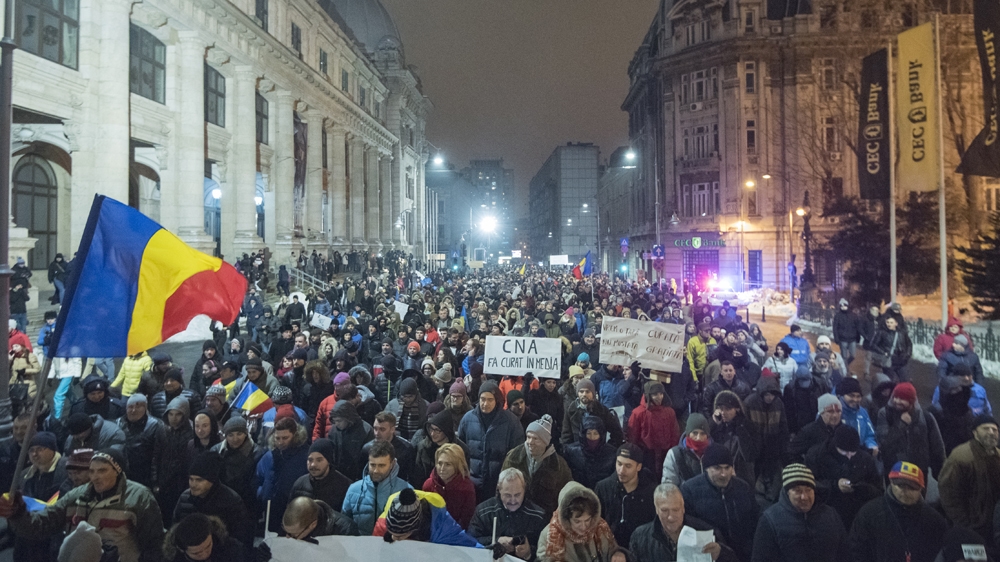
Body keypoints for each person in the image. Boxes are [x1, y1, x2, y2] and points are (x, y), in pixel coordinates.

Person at [0, 448, 164, 562]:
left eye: (102, 470)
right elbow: (40, 526)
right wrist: (18, 513)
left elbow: (154, 545)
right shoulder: (75, 496)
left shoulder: (139, 498)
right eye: (92, 471)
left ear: (117, 471)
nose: (95, 477)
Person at [848, 462, 948, 562]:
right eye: (900, 485)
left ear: (921, 489)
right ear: (891, 482)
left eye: (911, 487)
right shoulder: (869, 513)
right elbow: (856, 550)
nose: (905, 491)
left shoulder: (934, 520)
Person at [751, 464, 849, 562]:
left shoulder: (830, 515)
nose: (804, 497)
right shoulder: (770, 520)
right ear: (787, 492)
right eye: (797, 491)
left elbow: (844, 554)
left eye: (808, 490)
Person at [680, 444, 759, 562]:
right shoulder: (690, 491)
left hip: (743, 556)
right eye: (717, 468)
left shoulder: (743, 488)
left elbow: (755, 520)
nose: (724, 474)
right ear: (706, 468)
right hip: (711, 555)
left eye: (727, 468)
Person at [628, 482, 734, 562]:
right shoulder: (640, 537)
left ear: (683, 508)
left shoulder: (704, 531)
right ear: (656, 509)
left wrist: (720, 553)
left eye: (675, 510)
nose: (670, 517)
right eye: (665, 510)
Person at [172, 451, 253, 554]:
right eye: (191, 479)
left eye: (199, 480)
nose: (193, 484)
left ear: (212, 480)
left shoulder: (231, 501)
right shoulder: (184, 497)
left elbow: (243, 538)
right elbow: (175, 529)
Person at [458, 381, 525, 502]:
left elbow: (517, 454)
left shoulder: (511, 422)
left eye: (490, 400)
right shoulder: (467, 419)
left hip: (499, 485)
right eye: (482, 399)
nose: (485, 403)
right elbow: (459, 449)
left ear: (497, 401)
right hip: (473, 483)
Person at [804, 424, 881, 528]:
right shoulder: (816, 456)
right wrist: (835, 485)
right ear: (836, 446)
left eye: (853, 452)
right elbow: (810, 485)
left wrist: (863, 488)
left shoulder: (865, 459)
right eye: (845, 452)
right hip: (827, 515)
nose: (849, 456)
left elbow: (878, 489)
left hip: (858, 514)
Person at [938, 414, 1000, 542]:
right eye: (985, 428)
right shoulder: (960, 457)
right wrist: (964, 524)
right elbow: (948, 493)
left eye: (995, 430)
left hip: (994, 525)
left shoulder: (998, 456)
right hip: (973, 526)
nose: (991, 432)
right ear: (975, 432)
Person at [469, 467, 548, 559]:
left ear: (524, 490)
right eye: (507, 495)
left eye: (517, 495)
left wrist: (529, 552)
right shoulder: (483, 511)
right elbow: (471, 541)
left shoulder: (538, 516)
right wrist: (495, 541)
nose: (513, 500)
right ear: (499, 490)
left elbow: (547, 551)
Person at [502, 414, 572, 517]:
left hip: (544, 519)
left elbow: (566, 496)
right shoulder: (513, 458)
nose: (530, 442)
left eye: (536, 439)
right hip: (515, 516)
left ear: (545, 442)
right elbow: (500, 488)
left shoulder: (558, 465)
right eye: (528, 437)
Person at [876, 382, 945, 485]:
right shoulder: (885, 413)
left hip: (918, 470)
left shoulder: (926, 417)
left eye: (902, 399)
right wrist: (901, 425)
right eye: (895, 397)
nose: (897, 401)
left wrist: (941, 470)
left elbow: (937, 446)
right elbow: (884, 443)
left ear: (911, 401)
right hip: (894, 468)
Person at [342, 440, 412, 535]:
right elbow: (345, 524)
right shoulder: (354, 489)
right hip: (360, 547)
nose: (375, 470)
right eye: (372, 465)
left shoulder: (406, 491)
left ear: (392, 464)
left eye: (381, 465)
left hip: (392, 547)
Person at [17, 432, 68, 562]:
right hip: (31, 531)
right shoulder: (25, 475)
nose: (34, 454)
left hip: (54, 532)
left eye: (40, 449)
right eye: (31, 450)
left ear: (52, 449)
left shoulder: (66, 470)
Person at [594, 443, 657, 549]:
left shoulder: (651, 492)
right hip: (610, 549)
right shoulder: (603, 488)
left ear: (639, 467)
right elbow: (596, 523)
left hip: (641, 549)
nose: (621, 470)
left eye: (628, 466)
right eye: (619, 463)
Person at [537, 481, 618, 562]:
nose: (583, 527)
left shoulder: (601, 527)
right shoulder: (549, 537)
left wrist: (618, 553)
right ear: (566, 518)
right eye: (577, 521)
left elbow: (613, 549)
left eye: (587, 520)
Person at [256, 416, 310, 533]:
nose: (280, 442)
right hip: (271, 512)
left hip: (295, 512)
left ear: (295, 436)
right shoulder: (269, 456)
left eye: (285, 438)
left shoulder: (305, 457)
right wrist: (262, 494)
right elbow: (258, 478)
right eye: (277, 438)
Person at [211, 416, 262, 516]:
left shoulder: (257, 453)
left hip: (247, 505)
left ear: (246, 433)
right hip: (221, 502)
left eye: (239, 434)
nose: (235, 439)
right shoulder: (216, 451)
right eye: (230, 435)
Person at [627, 381, 679, 477]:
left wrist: (672, 452)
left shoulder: (669, 412)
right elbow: (633, 437)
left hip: (665, 454)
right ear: (648, 395)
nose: (659, 397)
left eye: (661, 393)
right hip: (646, 455)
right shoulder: (638, 413)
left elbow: (674, 434)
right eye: (655, 394)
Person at [422, 443, 477, 529]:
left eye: (448, 464)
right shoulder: (428, 485)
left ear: (457, 466)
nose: (442, 468)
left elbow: (466, 521)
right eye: (440, 463)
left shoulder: (467, 488)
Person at [290, 438, 352, 512]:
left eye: (319, 460)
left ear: (329, 461)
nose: (313, 464)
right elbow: (291, 514)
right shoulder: (299, 484)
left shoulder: (345, 486)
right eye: (310, 460)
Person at [117, 394, 164, 490]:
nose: (133, 410)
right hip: (123, 475)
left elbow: (158, 455)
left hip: (145, 477)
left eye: (138, 407)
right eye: (130, 407)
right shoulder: (118, 423)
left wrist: (155, 481)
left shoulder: (155, 425)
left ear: (145, 408)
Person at [561, 379, 624, 449]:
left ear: (593, 393)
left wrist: (609, 448)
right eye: (581, 391)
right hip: (577, 453)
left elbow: (617, 432)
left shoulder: (602, 410)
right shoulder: (571, 410)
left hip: (598, 452)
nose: (584, 394)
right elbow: (566, 435)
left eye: (587, 391)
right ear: (577, 393)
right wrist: (570, 450)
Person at [564, 414, 618, 490]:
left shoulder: (611, 454)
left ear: (601, 435)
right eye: (589, 433)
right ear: (583, 434)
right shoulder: (571, 451)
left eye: (596, 433)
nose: (592, 438)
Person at [163, 513, 245, 562]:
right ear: (182, 550)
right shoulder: (174, 559)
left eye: (208, 546)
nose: (204, 554)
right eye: (196, 553)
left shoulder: (232, 549)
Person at [326, 399, 375, 481]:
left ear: (348, 418)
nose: (336, 424)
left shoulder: (366, 430)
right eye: (334, 421)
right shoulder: (334, 431)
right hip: (338, 476)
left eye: (339, 421)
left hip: (359, 476)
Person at [788, 394, 843, 463]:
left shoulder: (844, 431)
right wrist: (805, 468)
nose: (835, 415)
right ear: (821, 413)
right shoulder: (809, 431)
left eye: (838, 411)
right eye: (830, 411)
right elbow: (791, 453)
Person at [662, 413, 711, 486]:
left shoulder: (715, 452)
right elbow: (668, 486)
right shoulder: (675, 454)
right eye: (695, 433)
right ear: (688, 433)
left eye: (703, 433)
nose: (698, 438)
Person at [282, 496, 359, 540]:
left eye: (294, 536)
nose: (289, 538)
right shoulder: (294, 527)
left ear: (313, 524)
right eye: (287, 533)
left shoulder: (347, 530)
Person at [836, 377, 878, 454]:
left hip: (860, 454)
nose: (855, 399)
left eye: (858, 396)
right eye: (851, 395)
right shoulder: (835, 411)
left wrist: (871, 445)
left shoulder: (862, 412)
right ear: (842, 395)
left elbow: (870, 434)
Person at [871, 316, 912, 382]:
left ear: (896, 323)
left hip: (901, 360)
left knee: (905, 381)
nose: (889, 324)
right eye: (887, 322)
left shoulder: (902, 333)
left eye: (891, 322)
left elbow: (909, 344)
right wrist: (883, 352)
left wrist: (907, 354)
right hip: (889, 361)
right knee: (892, 381)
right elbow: (873, 345)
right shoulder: (882, 332)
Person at [832, 299, 861, 366]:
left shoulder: (853, 315)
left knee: (853, 356)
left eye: (844, 305)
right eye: (841, 305)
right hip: (843, 339)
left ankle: (844, 366)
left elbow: (857, 327)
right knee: (844, 356)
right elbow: (835, 328)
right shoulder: (838, 316)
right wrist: (836, 338)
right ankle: (845, 371)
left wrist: (858, 337)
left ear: (847, 305)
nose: (843, 307)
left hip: (852, 339)